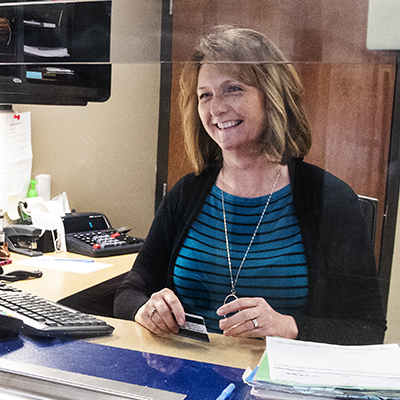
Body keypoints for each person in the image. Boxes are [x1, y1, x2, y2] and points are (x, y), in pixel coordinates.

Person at [114, 25, 386, 345]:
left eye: (233, 89)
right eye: (205, 95)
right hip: (186, 375)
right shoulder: (186, 193)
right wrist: (146, 308)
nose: (216, 108)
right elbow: (129, 291)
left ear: (270, 95)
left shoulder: (330, 197)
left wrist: (288, 326)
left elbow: (367, 330)